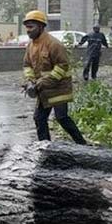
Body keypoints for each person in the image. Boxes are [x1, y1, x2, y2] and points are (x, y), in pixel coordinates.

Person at [22, 10, 86, 145]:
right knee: (39, 118)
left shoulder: (53, 44)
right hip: (43, 90)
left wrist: (40, 83)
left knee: (62, 117)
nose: (28, 30)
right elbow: (27, 65)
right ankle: (45, 147)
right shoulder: (31, 46)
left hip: (59, 89)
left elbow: (62, 66)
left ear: (41, 26)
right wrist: (30, 81)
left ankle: (82, 144)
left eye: (31, 27)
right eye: (26, 27)